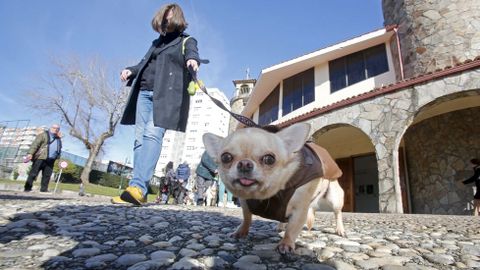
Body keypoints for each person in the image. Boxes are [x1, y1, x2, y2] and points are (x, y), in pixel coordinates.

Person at [112, 3, 200, 205]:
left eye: (168, 18)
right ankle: (135, 188)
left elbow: (192, 53)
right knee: (139, 140)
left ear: (176, 19)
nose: (165, 22)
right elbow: (143, 63)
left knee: (152, 135)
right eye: (162, 19)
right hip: (143, 92)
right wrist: (130, 70)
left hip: (166, 96)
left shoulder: (187, 40)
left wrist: (192, 60)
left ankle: (138, 188)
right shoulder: (156, 43)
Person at [24, 124, 62, 192]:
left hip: (51, 159)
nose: (55, 129)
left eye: (57, 129)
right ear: (50, 128)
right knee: (33, 173)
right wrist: (30, 153)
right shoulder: (43, 135)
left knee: (47, 175)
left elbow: (59, 149)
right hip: (40, 157)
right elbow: (35, 144)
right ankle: (27, 188)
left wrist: (58, 159)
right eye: (54, 128)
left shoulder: (58, 139)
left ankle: (44, 189)